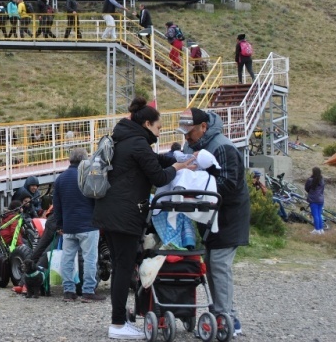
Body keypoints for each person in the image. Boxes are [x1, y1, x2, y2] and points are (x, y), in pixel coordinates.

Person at [94, 97, 193, 339]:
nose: (159, 134)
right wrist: (179, 168)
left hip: (111, 212)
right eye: (158, 128)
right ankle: (117, 324)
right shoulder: (138, 143)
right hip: (125, 214)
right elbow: (159, 177)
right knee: (123, 267)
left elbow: (154, 160)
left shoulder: (125, 138)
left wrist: (175, 158)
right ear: (147, 123)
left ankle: (118, 320)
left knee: (120, 267)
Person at [177, 107, 250, 336]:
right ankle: (225, 315)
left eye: (190, 132)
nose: (186, 137)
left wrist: (196, 191)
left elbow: (228, 184)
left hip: (229, 216)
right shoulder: (193, 146)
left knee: (219, 263)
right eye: (184, 132)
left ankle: (225, 318)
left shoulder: (223, 147)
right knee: (211, 262)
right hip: (210, 216)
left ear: (203, 127)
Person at [53, 147, 105, 302]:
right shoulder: (88, 176)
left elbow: (57, 205)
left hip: (69, 226)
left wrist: (59, 224)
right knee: (90, 259)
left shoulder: (60, 179)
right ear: (84, 160)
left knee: (67, 258)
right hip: (88, 225)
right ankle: (88, 291)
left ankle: (68, 291)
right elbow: (97, 200)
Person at [305, 167, 325, 235]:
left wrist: (310, 192)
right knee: (319, 214)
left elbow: (306, 188)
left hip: (313, 199)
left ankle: (317, 229)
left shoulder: (310, 180)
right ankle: (321, 229)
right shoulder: (322, 180)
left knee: (315, 215)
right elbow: (322, 190)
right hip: (321, 199)